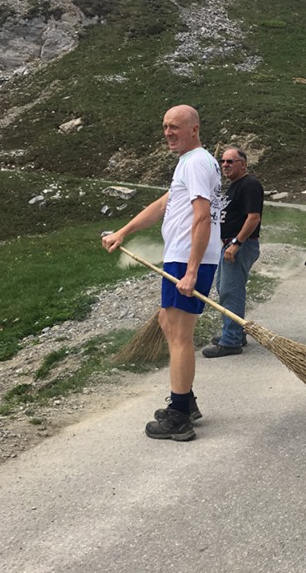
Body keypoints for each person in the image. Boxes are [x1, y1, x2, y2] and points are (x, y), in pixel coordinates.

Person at [102, 105, 222, 442]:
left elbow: (202, 217)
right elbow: (164, 204)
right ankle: (186, 398)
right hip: (182, 257)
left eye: (176, 127)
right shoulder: (189, 163)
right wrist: (123, 232)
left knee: (181, 334)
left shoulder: (197, 162)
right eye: (165, 127)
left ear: (194, 129)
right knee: (168, 322)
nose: (168, 132)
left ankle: (180, 416)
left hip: (187, 259)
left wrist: (192, 271)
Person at [202, 147, 263, 357]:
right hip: (229, 245)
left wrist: (237, 242)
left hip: (239, 246)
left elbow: (253, 217)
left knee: (230, 290)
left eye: (231, 161)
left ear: (243, 164)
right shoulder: (235, 187)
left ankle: (231, 341)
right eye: (223, 161)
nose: (225, 165)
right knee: (225, 288)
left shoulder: (250, 185)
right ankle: (236, 331)